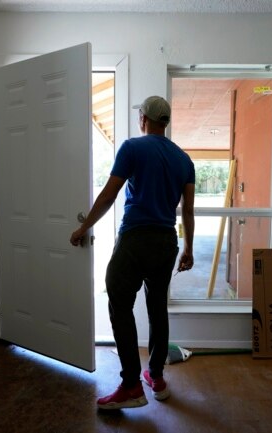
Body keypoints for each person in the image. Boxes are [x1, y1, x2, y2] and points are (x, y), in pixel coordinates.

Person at [70, 95, 195, 410]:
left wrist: (83, 227)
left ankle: (131, 386)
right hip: (167, 242)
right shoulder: (184, 160)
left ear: (144, 119)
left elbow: (110, 195)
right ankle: (156, 377)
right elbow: (188, 212)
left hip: (136, 239)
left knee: (119, 304)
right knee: (157, 309)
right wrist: (188, 248)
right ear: (164, 122)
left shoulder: (132, 148)